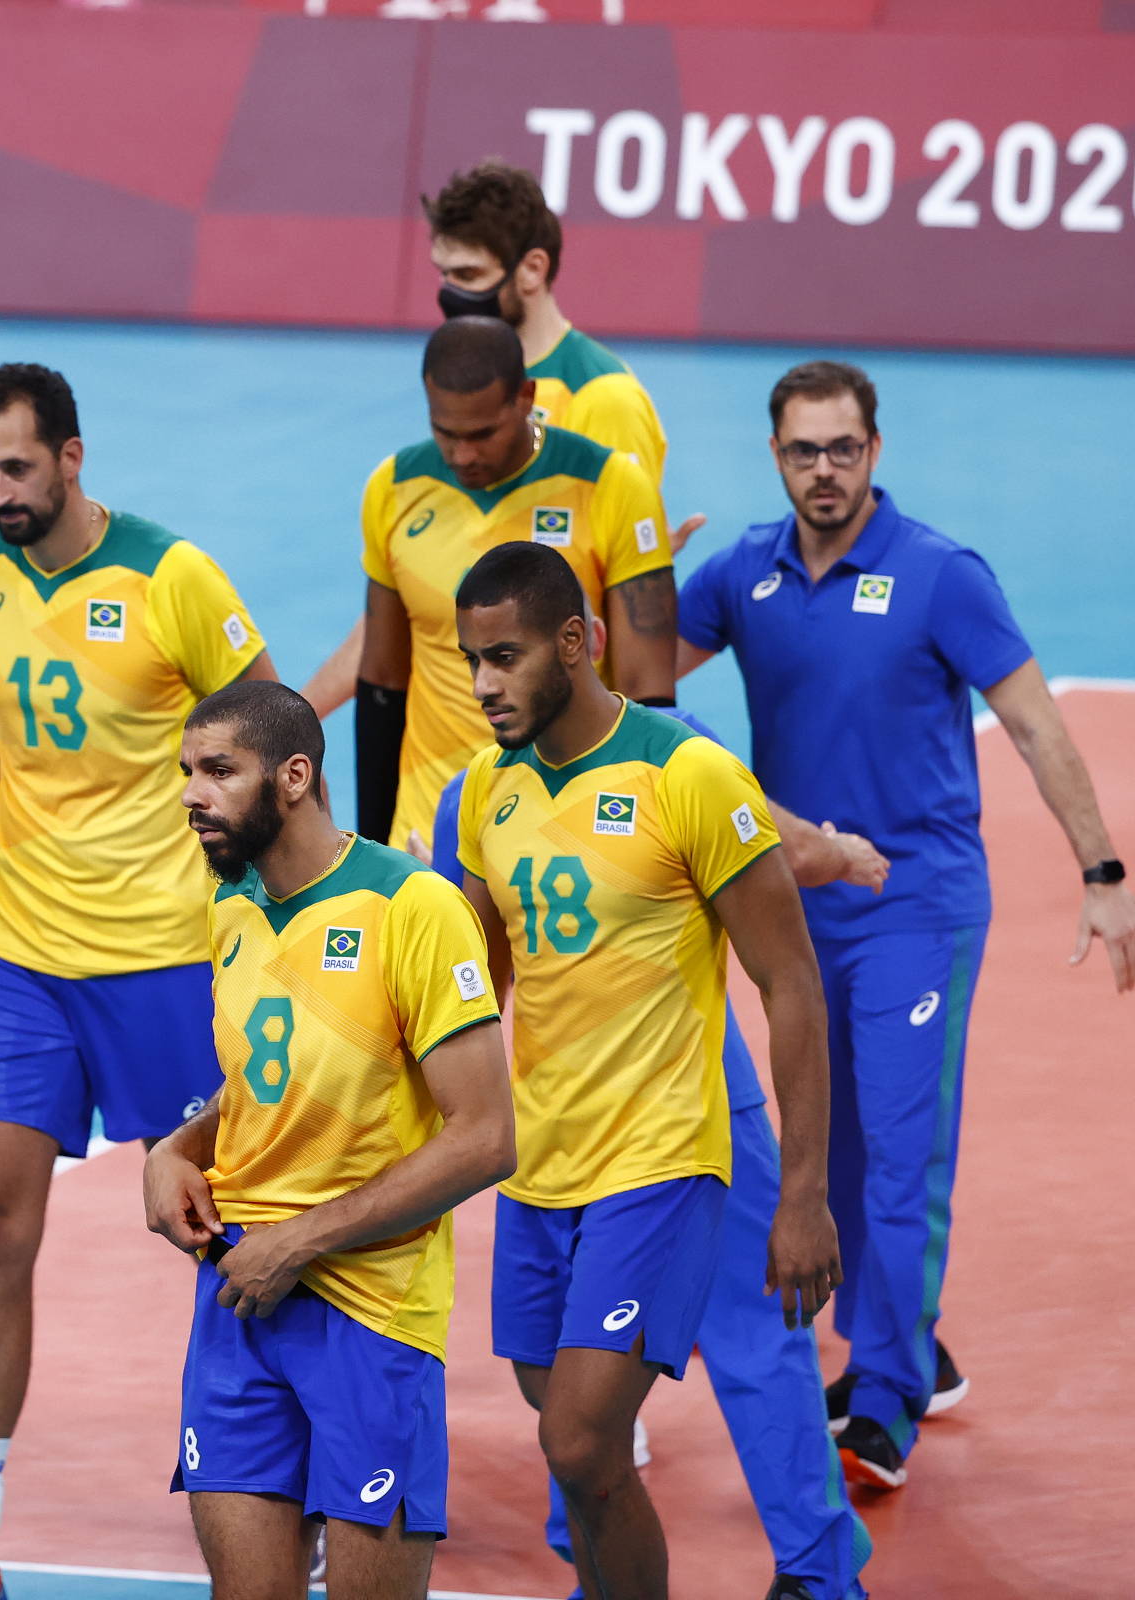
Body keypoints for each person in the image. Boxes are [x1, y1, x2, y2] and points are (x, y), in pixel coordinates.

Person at [676, 360, 1135, 1489]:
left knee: (899, 1149)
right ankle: (914, 1349)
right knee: (829, 1147)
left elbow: (1033, 722)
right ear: (776, 456)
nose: (825, 470)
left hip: (917, 902)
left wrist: (1103, 868)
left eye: (845, 448)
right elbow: (633, 671)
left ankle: (883, 1389)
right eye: (804, 451)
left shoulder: (941, 575)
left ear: (876, 451)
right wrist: (630, 566)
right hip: (801, 906)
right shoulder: (745, 572)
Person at [0, 362, 275, 1600]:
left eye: (18, 468)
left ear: (72, 455)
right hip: (19, 951)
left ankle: (295, 1472)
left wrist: (269, 917)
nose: (0, 494)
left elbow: (272, 735)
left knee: (224, 1231)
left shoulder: (171, 577)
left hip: (166, 954)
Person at [450, 542, 841, 1600]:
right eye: (470, 660)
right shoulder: (482, 792)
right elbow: (468, 988)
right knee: (574, 1443)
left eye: (505, 656)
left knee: (579, 1441)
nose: (483, 684)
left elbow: (791, 982)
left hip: (660, 1161)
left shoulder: (688, 774)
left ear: (575, 645)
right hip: (538, 1172)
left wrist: (801, 1194)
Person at [144, 681, 514, 1600]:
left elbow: (486, 1139)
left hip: (372, 1315)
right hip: (239, 1301)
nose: (193, 793)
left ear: (295, 776)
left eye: (219, 770)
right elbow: (266, 1084)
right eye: (187, 771)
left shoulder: (413, 908)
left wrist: (300, 1241)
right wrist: (174, 1151)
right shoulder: (229, 906)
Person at [302, 159, 695, 720]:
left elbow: (623, 620)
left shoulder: (601, 399)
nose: (449, 295)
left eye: (467, 276)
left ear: (531, 269)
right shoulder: (472, 391)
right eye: (443, 276)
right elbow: (424, 588)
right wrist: (298, 716)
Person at [345, 317, 676, 853]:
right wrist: (372, 846)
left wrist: (636, 836)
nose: (463, 456)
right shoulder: (394, 487)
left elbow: (650, 692)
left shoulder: (610, 486)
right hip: (427, 830)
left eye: (482, 434)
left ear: (526, 398)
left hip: (568, 823)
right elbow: (383, 677)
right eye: (445, 433)